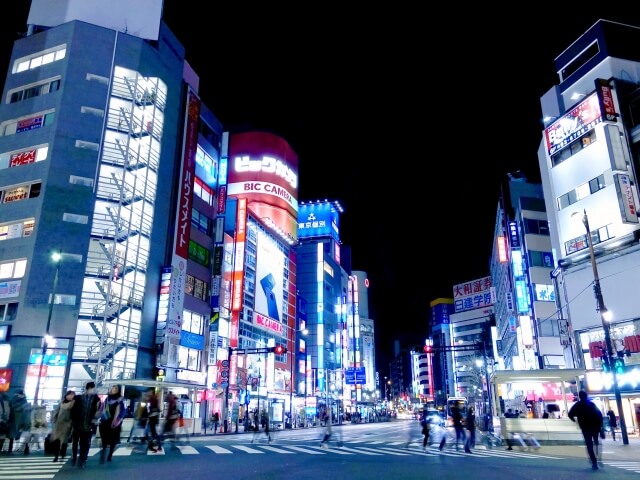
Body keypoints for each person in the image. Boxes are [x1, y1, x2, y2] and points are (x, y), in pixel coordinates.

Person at [568, 390, 603, 470]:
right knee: (596, 443)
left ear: (579, 397)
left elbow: (570, 414)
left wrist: (576, 421)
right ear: (586, 396)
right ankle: (597, 458)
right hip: (594, 427)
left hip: (585, 428)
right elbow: (599, 415)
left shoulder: (578, 405)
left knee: (589, 445)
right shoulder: (591, 404)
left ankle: (594, 462)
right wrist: (600, 427)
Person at [71, 381, 101, 468]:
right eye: (93, 388)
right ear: (89, 388)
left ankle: (83, 459)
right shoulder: (78, 398)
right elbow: (73, 411)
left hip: (89, 424)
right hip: (78, 424)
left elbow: (98, 410)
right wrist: (74, 421)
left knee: (86, 443)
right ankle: (75, 459)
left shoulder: (96, 399)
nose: (94, 390)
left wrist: (95, 419)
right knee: (76, 442)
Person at [98, 384, 126, 463]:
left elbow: (123, 411)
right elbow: (102, 408)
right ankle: (103, 453)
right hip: (105, 420)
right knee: (104, 438)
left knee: (113, 439)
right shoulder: (107, 398)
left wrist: (119, 419)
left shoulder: (120, 399)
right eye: (113, 388)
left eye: (116, 388)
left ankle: (110, 454)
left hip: (114, 421)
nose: (114, 389)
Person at [50, 390, 75, 462]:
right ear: (66, 395)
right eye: (69, 394)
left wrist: (71, 423)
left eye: (72, 395)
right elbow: (56, 411)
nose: (70, 396)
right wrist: (54, 420)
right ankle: (56, 456)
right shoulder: (61, 403)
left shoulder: (74, 403)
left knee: (64, 440)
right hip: (58, 423)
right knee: (57, 440)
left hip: (67, 424)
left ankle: (63, 453)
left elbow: (74, 415)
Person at [8, 390, 31, 454]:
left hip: (14, 420)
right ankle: (26, 449)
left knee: (12, 436)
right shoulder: (24, 402)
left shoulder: (13, 400)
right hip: (23, 420)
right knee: (25, 435)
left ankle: (10, 450)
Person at [146, 388, 161, 452]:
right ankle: (157, 444)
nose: (148, 393)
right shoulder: (154, 399)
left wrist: (148, 414)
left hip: (152, 418)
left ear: (151, 392)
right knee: (152, 432)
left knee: (152, 432)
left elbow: (152, 409)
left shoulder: (152, 399)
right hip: (153, 418)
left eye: (149, 391)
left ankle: (151, 445)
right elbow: (157, 409)